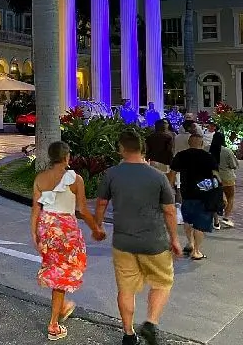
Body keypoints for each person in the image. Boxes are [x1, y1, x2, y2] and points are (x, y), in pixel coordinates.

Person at [95, 131, 181, 345]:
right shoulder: (158, 176)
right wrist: (175, 240)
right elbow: (169, 211)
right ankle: (151, 322)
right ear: (143, 149)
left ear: (121, 149)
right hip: (155, 242)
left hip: (123, 242)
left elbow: (101, 204)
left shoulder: (112, 174)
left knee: (126, 289)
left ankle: (128, 334)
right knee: (162, 283)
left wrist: (98, 226)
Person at [32, 141, 104, 341]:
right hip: (65, 230)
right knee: (63, 274)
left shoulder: (40, 178)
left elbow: (36, 210)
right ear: (66, 157)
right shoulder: (75, 179)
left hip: (46, 227)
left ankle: (62, 306)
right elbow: (82, 209)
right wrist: (96, 228)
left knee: (55, 269)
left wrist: (34, 235)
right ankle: (54, 325)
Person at [169, 134, 219, 260]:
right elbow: (216, 177)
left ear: (189, 143)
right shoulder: (209, 157)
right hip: (204, 194)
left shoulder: (181, 155)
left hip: (187, 193)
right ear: (202, 144)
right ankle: (196, 251)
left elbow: (172, 173)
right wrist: (219, 193)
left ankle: (190, 243)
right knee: (200, 224)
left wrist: (169, 188)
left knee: (188, 220)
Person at [210, 130, 238, 228]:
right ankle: (226, 217)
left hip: (212, 177)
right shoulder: (227, 151)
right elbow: (234, 165)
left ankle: (216, 221)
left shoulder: (207, 149)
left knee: (214, 198)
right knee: (230, 197)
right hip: (227, 178)